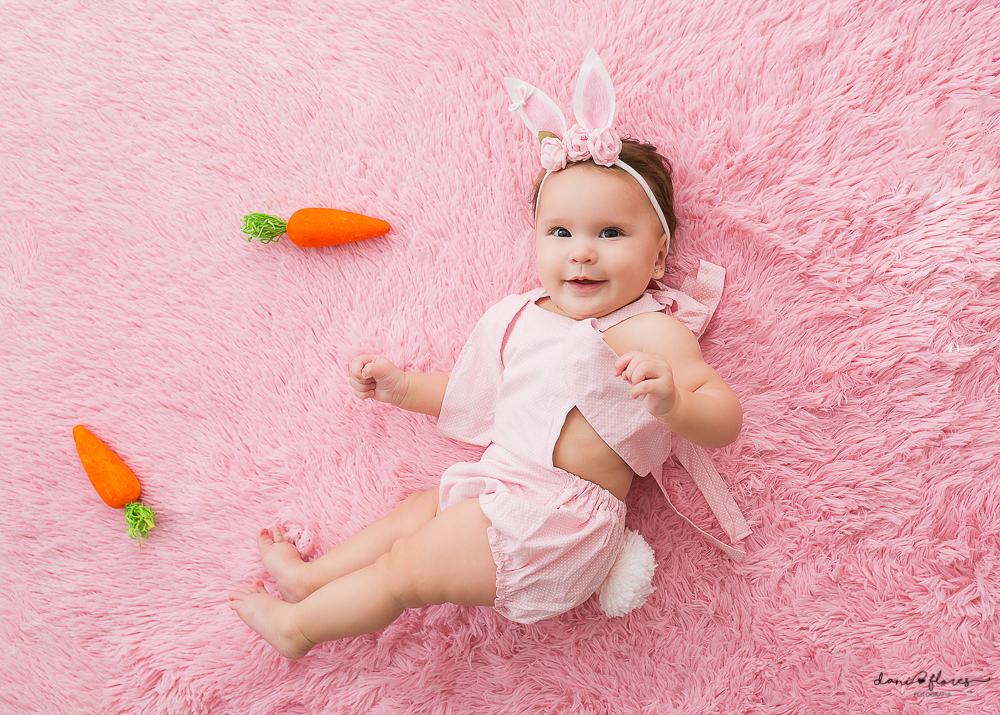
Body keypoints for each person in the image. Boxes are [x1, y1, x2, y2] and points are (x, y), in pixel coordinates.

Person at [229, 50, 746, 659]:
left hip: (556, 525)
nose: (582, 252)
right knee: (418, 511)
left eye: (610, 233)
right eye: (561, 232)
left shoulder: (650, 330)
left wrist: (675, 402)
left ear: (657, 258)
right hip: (500, 487)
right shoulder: (523, 317)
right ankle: (308, 581)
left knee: (406, 567)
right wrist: (403, 388)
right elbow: (474, 395)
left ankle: (299, 629)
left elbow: (724, 420)